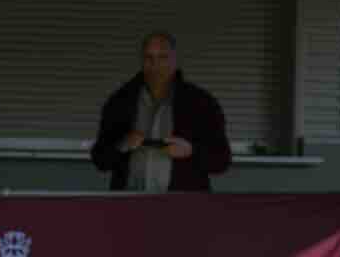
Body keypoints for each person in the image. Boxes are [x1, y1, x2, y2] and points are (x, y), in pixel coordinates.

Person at [88, 30, 232, 193]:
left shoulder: (200, 102)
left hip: (184, 207)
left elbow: (222, 160)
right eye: (149, 58)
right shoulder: (121, 102)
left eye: (163, 57)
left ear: (175, 61)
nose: (155, 65)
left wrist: (191, 151)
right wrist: (122, 145)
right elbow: (100, 160)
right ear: (141, 61)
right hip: (129, 206)